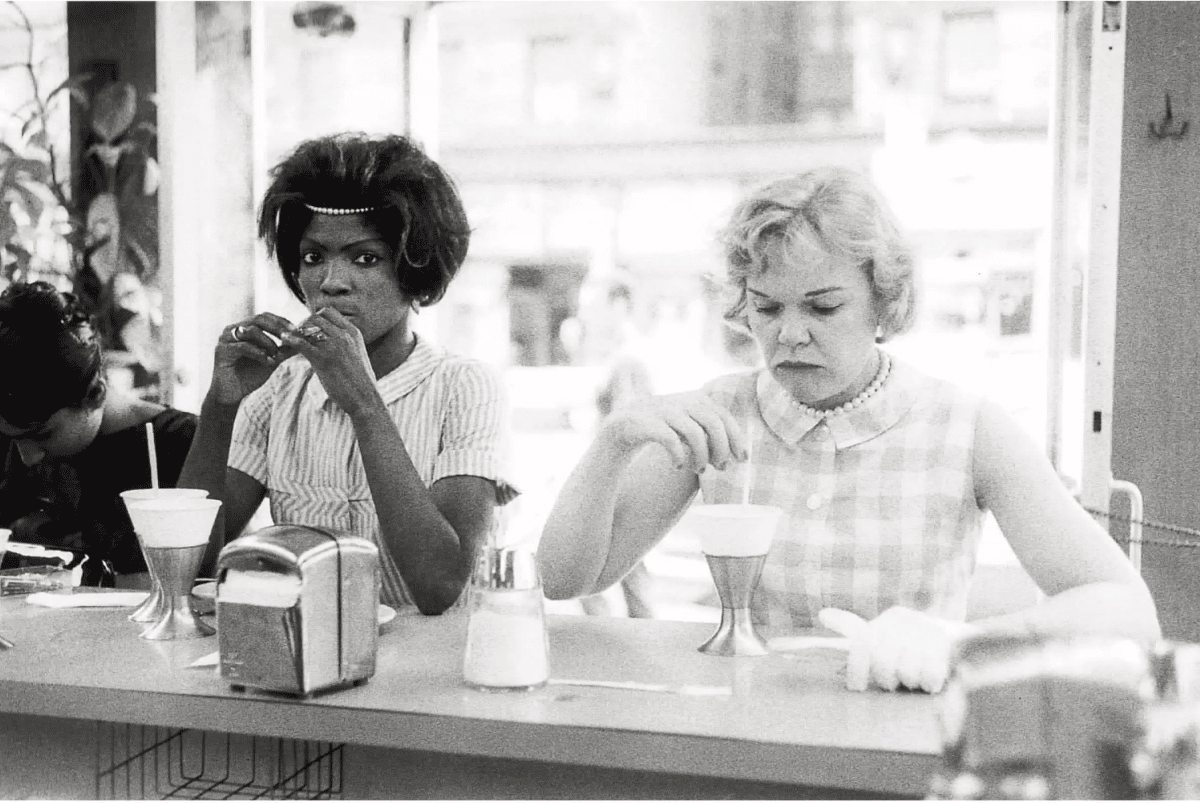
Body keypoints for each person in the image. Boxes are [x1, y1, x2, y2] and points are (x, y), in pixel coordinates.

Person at [538, 167, 1160, 693]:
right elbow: (568, 580)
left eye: (823, 306)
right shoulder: (721, 415)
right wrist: (613, 443)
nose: (790, 333)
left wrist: (961, 642)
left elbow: (1126, 611)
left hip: (905, 742)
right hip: (750, 737)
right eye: (766, 306)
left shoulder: (966, 429)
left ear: (883, 302)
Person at [179, 133, 516, 615]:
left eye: (366, 258)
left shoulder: (464, 387)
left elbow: (440, 586)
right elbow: (192, 566)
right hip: (307, 663)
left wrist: (364, 404)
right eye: (313, 257)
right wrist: (220, 409)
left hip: (437, 673)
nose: (331, 282)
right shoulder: (279, 389)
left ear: (415, 270)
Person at [0, 281, 197, 586]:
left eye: (42, 435)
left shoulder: (183, 444)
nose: (26, 458)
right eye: (14, 439)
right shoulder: (20, 428)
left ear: (96, 394)